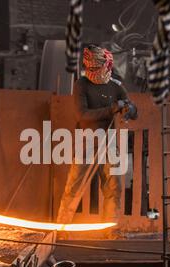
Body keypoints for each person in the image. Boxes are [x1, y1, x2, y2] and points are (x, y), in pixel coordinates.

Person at [56, 45, 135, 237]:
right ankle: (62, 229)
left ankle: (111, 229)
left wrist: (127, 109)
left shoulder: (116, 86)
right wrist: (112, 108)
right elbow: (82, 115)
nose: (91, 72)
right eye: (89, 69)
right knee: (74, 186)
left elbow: (134, 110)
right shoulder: (81, 85)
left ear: (107, 66)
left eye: (95, 69)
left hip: (110, 142)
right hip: (87, 141)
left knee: (113, 186)